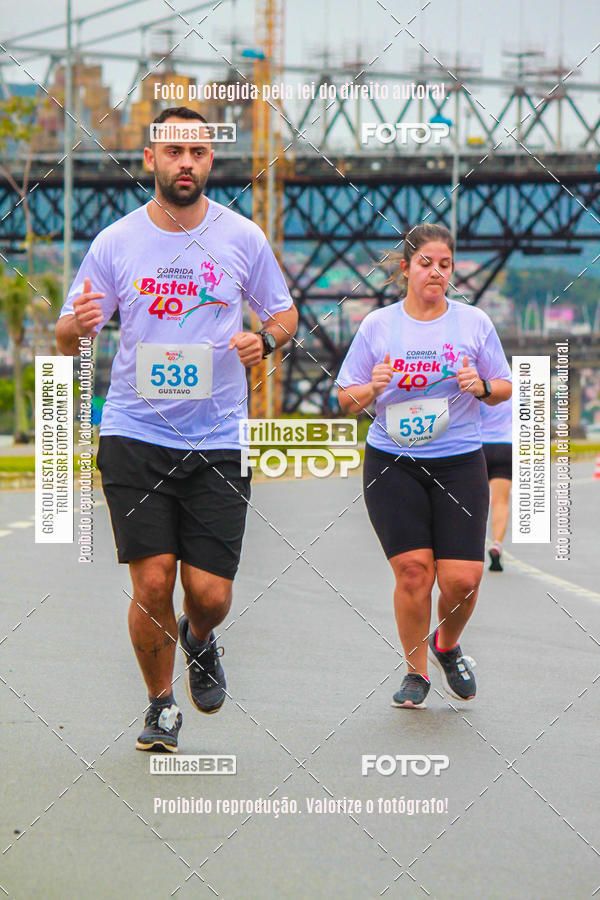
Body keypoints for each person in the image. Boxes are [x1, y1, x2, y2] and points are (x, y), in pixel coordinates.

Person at [56, 107, 298, 751]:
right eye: (173, 152)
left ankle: (200, 636)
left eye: (196, 151)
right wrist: (76, 327)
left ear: (210, 162)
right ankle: (160, 704)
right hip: (135, 432)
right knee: (153, 579)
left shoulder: (242, 237)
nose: (184, 162)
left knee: (209, 593)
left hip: (218, 435)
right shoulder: (116, 243)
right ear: (150, 160)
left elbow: (284, 314)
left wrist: (263, 342)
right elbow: (64, 338)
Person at [337, 223, 511, 709]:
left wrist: (479, 386)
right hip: (393, 461)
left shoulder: (473, 323)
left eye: (445, 265)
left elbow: (504, 386)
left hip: (458, 461)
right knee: (415, 572)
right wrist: (372, 388)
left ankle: (446, 644)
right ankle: (415, 671)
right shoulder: (379, 326)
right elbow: (346, 398)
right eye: (426, 263)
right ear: (406, 269)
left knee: (462, 579)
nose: (436, 272)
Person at [480, 398, 512, 571]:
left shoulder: (477, 387)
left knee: (474, 501)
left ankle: (473, 546)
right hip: (506, 446)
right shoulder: (515, 390)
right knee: (501, 502)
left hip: (479, 446)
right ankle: (497, 544)